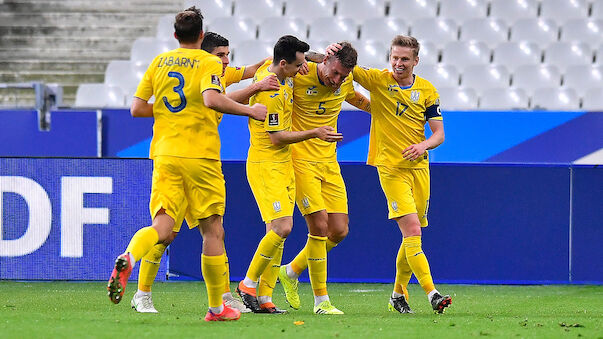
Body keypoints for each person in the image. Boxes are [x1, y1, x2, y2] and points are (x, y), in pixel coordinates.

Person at [106, 7, 267, 322]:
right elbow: (211, 99)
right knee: (213, 230)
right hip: (200, 157)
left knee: (162, 229)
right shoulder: (208, 64)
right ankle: (217, 308)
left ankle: (130, 255)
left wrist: (170, 111)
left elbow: (137, 109)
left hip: (165, 154)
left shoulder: (159, 61)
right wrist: (251, 111)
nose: (224, 60)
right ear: (202, 37)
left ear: (175, 35)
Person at [327, 35, 451, 314]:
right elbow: (344, 64)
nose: (398, 63)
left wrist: (423, 144)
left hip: (419, 169)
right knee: (413, 231)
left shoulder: (428, 91)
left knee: (412, 238)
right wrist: (330, 49)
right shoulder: (378, 80)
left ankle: (397, 294)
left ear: (416, 61)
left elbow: (439, 134)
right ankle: (432, 293)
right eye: (394, 57)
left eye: (404, 59)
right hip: (391, 168)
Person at [236, 35, 343, 314]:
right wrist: (315, 133)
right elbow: (277, 138)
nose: (302, 69)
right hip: (265, 163)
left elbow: (306, 59)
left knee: (277, 232)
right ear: (283, 64)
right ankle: (247, 284)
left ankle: (265, 297)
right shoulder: (270, 91)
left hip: (284, 165)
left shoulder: (282, 74)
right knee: (283, 227)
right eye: (298, 66)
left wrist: (323, 56)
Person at [277, 42, 371, 313]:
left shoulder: (345, 79)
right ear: (325, 61)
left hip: (329, 162)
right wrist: (309, 55)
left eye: (344, 76)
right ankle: (321, 301)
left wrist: (382, 111)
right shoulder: (300, 73)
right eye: (336, 73)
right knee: (318, 227)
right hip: (299, 159)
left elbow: (353, 96)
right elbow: (278, 58)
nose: (338, 80)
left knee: (339, 230)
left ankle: (291, 271)